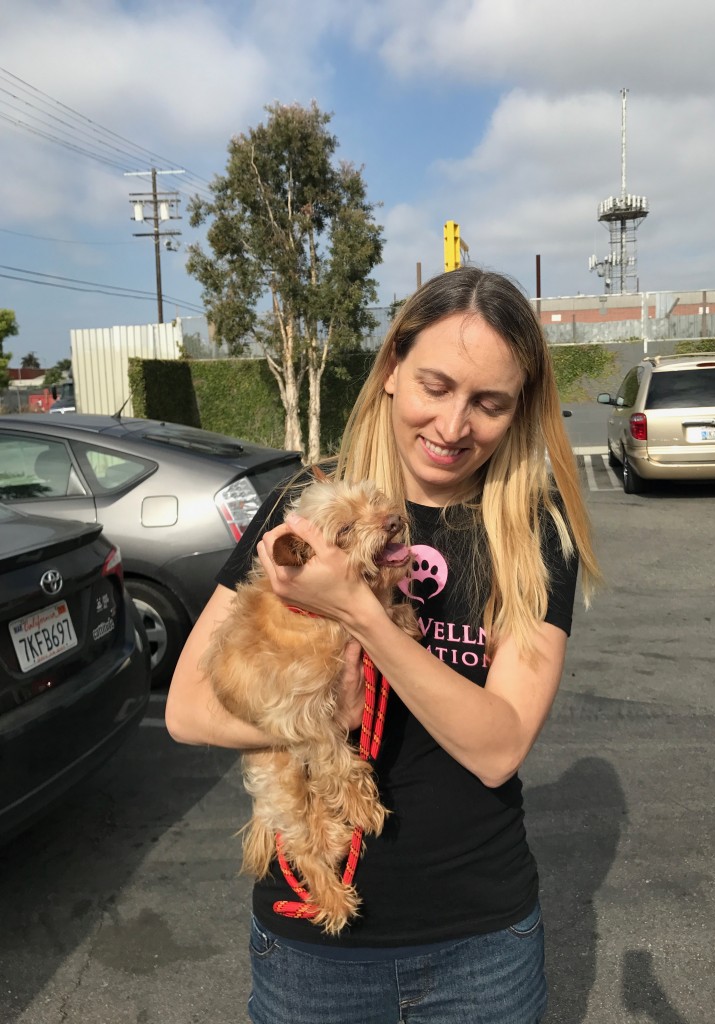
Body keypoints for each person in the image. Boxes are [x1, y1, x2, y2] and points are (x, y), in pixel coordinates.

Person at [166, 266, 599, 1024]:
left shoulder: (534, 532)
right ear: (393, 367)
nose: (454, 426)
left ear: (519, 409)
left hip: (481, 946)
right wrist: (315, 716)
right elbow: (188, 710)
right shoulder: (305, 509)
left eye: (489, 403)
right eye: (436, 385)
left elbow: (498, 748)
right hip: (310, 953)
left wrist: (359, 613)